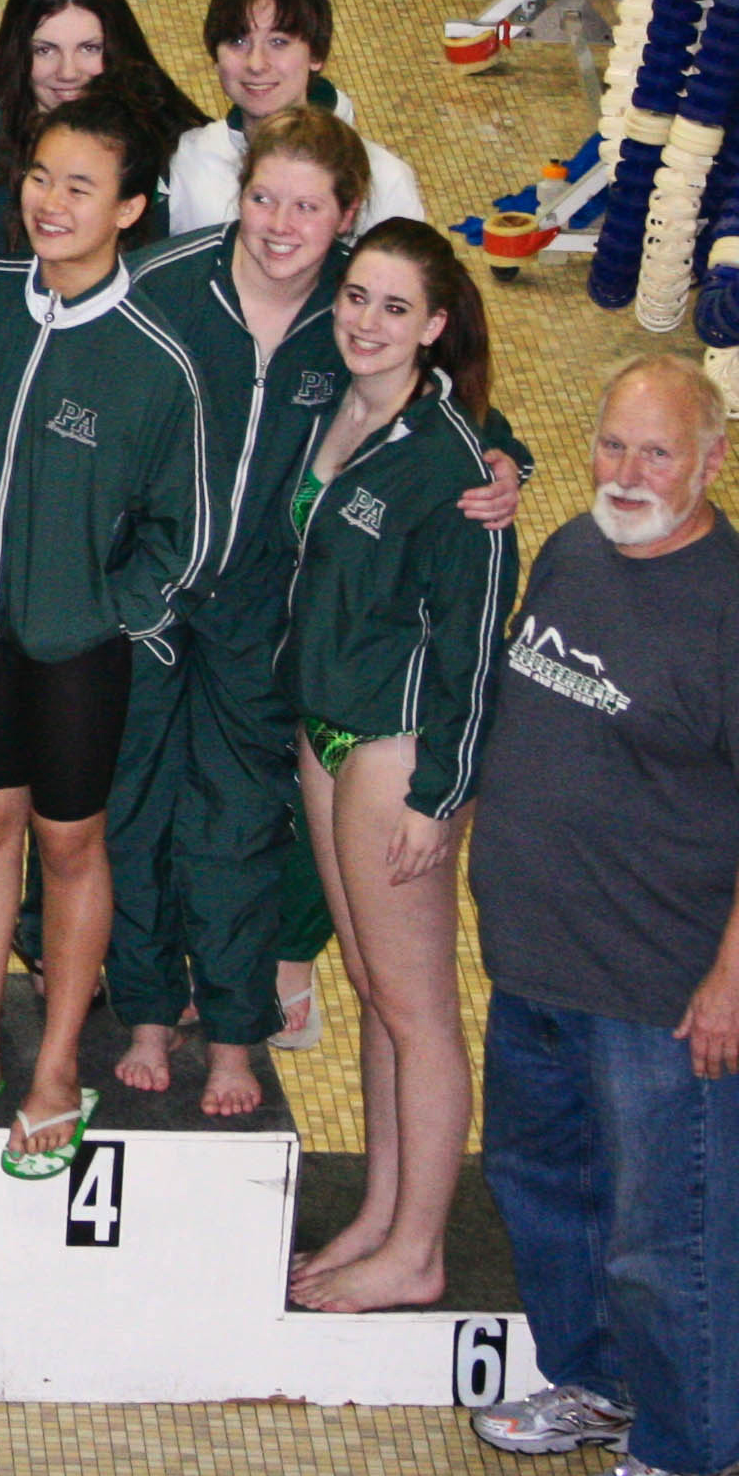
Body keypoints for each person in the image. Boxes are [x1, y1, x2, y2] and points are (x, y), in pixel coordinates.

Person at [466, 354, 739, 1476]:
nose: (626, 472)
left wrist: (733, 977)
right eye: (613, 444)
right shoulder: (573, 550)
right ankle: (596, 1383)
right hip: (537, 962)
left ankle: (693, 1448)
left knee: (666, 1230)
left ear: (710, 460)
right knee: (546, 1189)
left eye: (656, 451)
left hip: (659, 989)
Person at [104, 113, 520, 1119]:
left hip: (263, 624)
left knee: (239, 831)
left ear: (345, 215)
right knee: (132, 814)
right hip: (146, 604)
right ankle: (145, 1015)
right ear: (235, 194)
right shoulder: (162, 287)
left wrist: (506, 459)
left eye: (305, 206)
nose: (278, 224)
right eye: (262, 198)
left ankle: (235, 1032)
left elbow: (447, 415)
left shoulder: (352, 311)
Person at [0, 91, 205, 1178]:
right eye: (40, 177)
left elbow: (182, 529)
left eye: (81, 186)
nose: (51, 202)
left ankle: (58, 1062)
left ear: (129, 209)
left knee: (71, 843)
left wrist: (104, 610)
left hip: (77, 647)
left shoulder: (152, 361)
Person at [282, 218, 517, 1312]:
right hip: (326, 729)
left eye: (393, 307)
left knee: (417, 1007)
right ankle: (381, 1213)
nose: (365, 322)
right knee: (374, 988)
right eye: (355, 297)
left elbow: (475, 648)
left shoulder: (455, 469)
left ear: (433, 325)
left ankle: (418, 1250)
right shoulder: (332, 405)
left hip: (397, 747)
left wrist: (439, 796)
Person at [166, 0, 423, 235]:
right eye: (238, 42)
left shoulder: (385, 179)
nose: (256, 63)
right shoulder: (189, 160)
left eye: (278, 42)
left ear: (316, 55)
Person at [0, 0, 207, 254]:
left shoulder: (177, 145)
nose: (68, 72)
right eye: (45, 50)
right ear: (17, 54)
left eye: (89, 48)